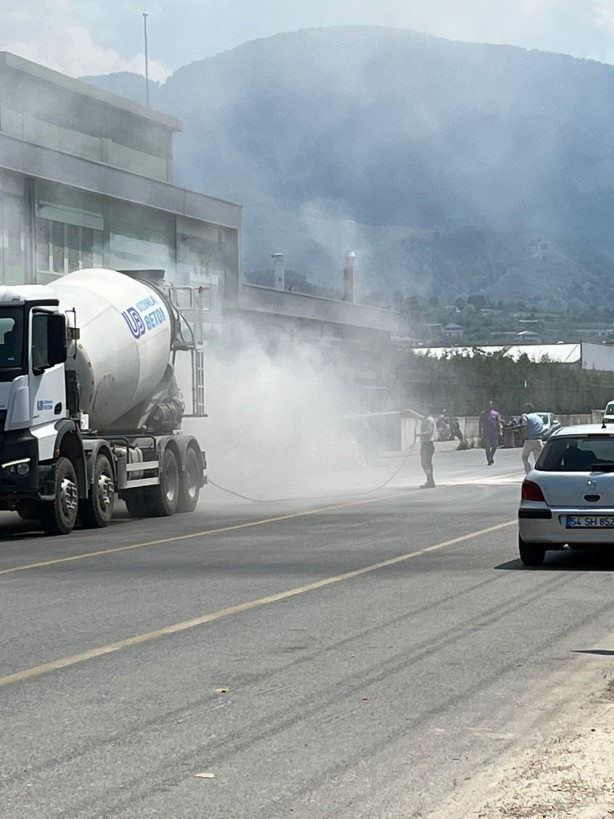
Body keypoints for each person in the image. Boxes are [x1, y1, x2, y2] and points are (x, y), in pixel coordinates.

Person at [406, 405, 437, 488]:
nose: (423, 410)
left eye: (424, 409)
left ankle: (430, 481)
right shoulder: (426, 418)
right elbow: (418, 416)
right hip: (425, 443)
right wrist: (410, 411)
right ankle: (430, 481)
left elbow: (430, 431)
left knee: (426, 463)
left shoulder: (429, 420)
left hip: (427, 444)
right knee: (425, 463)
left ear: (428, 410)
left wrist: (419, 434)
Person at [520, 402, 545, 474]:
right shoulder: (539, 418)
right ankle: (538, 473)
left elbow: (524, 428)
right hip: (538, 440)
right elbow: (542, 429)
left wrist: (522, 438)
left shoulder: (526, 417)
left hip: (529, 440)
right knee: (537, 460)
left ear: (529, 409)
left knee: (524, 457)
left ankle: (529, 473)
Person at [479, 400, 502, 465]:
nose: (489, 406)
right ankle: (489, 460)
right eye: (488, 405)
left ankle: (490, 456)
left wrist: (500, 431)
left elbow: (498, 423)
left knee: (495, 446)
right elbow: (480, 423)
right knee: (487, 447)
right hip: (486, 433)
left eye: (490, 405)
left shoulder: (495, 414)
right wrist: (479, 432)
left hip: (494, 432)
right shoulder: (483, 414)